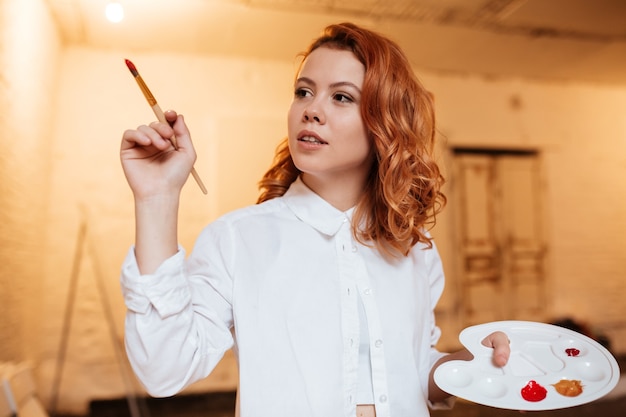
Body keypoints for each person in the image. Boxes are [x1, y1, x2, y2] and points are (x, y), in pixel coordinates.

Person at [119, 22, 510, 417]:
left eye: (341, 97)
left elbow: (411, 369)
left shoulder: (414, 247)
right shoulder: (238, 239)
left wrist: (474, 364)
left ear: (386, 123)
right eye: (304, 92)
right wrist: (156, 199)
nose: (311, 110)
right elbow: (163, 370)